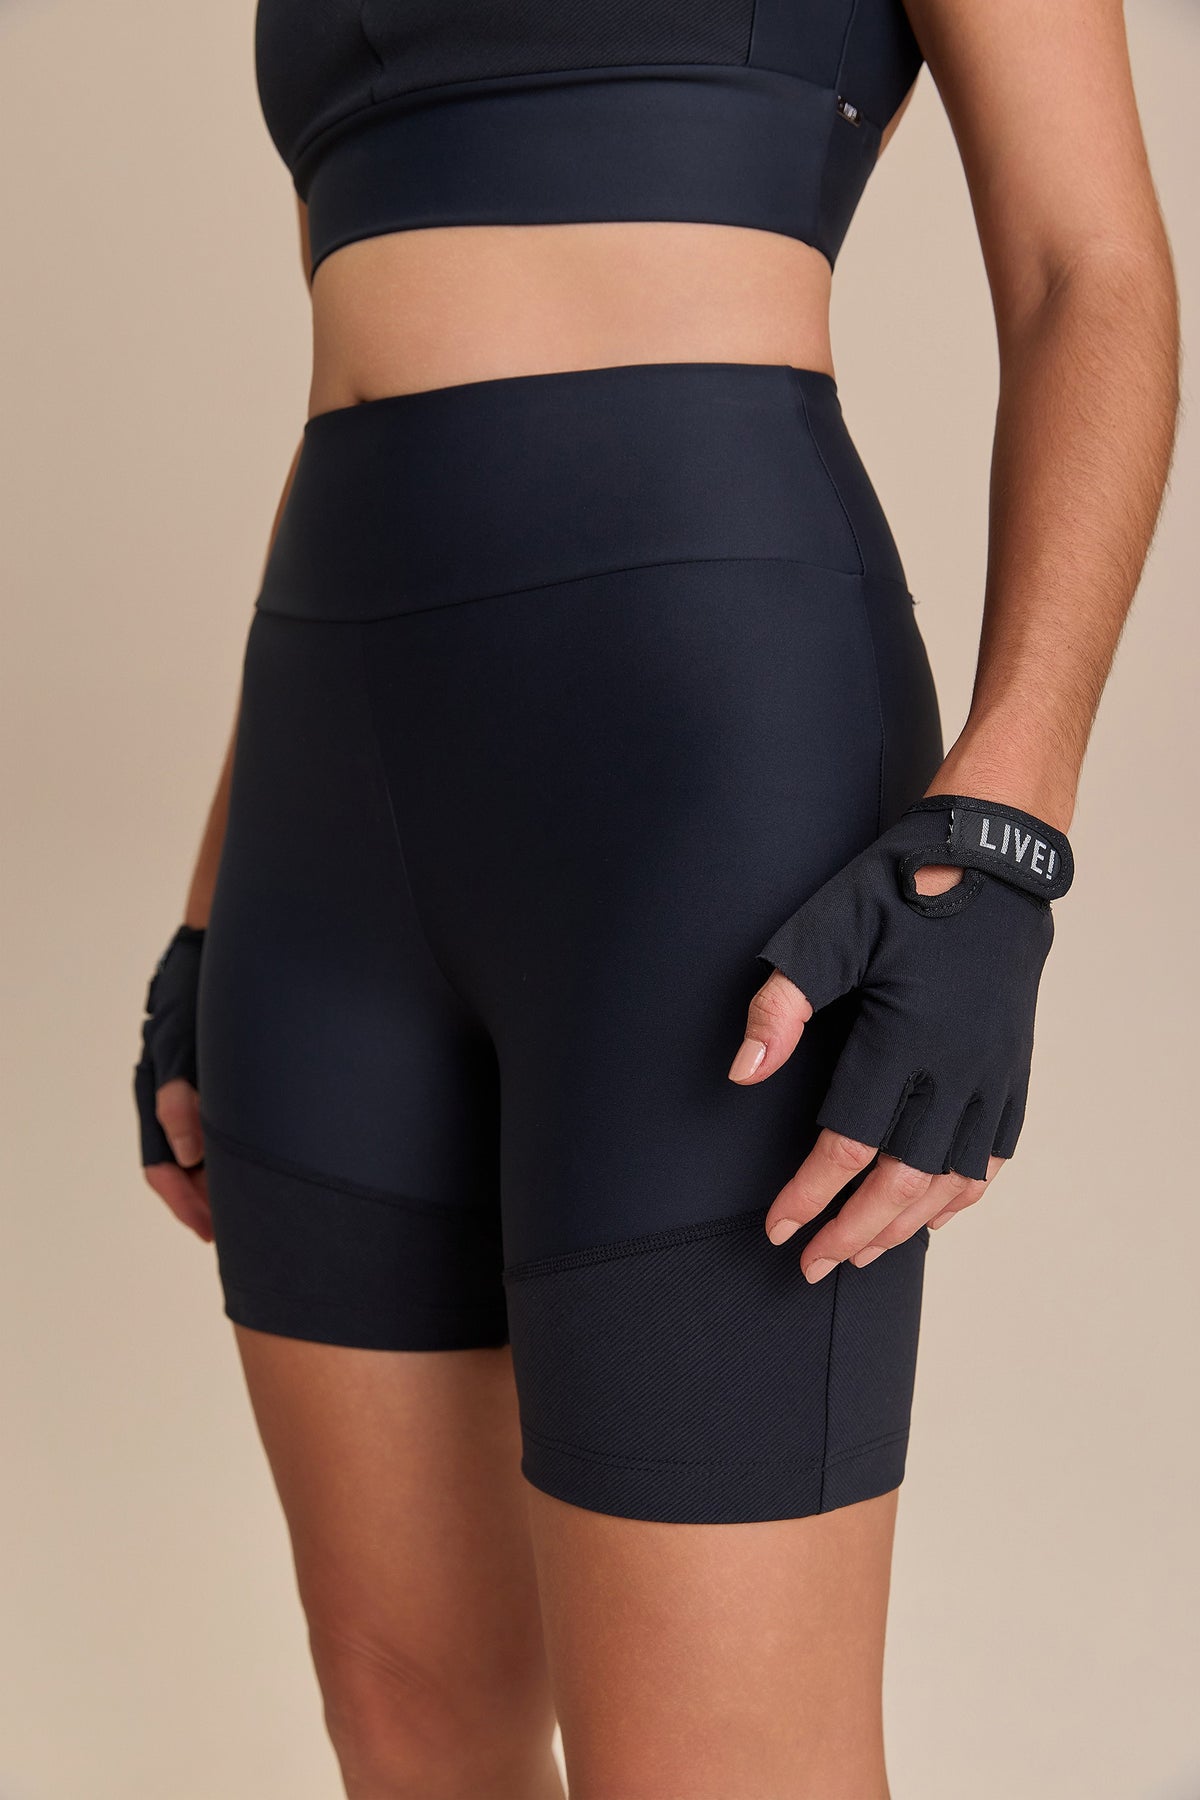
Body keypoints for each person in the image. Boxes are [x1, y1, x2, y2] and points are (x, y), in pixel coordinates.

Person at [133, 2, 1178, 1795]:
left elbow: (1093, 272)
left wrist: (1011, 831)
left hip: (703, 769)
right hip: (329, 790)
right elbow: (367, 362)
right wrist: (219, 900)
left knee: (719, 1767)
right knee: (406, 1727)